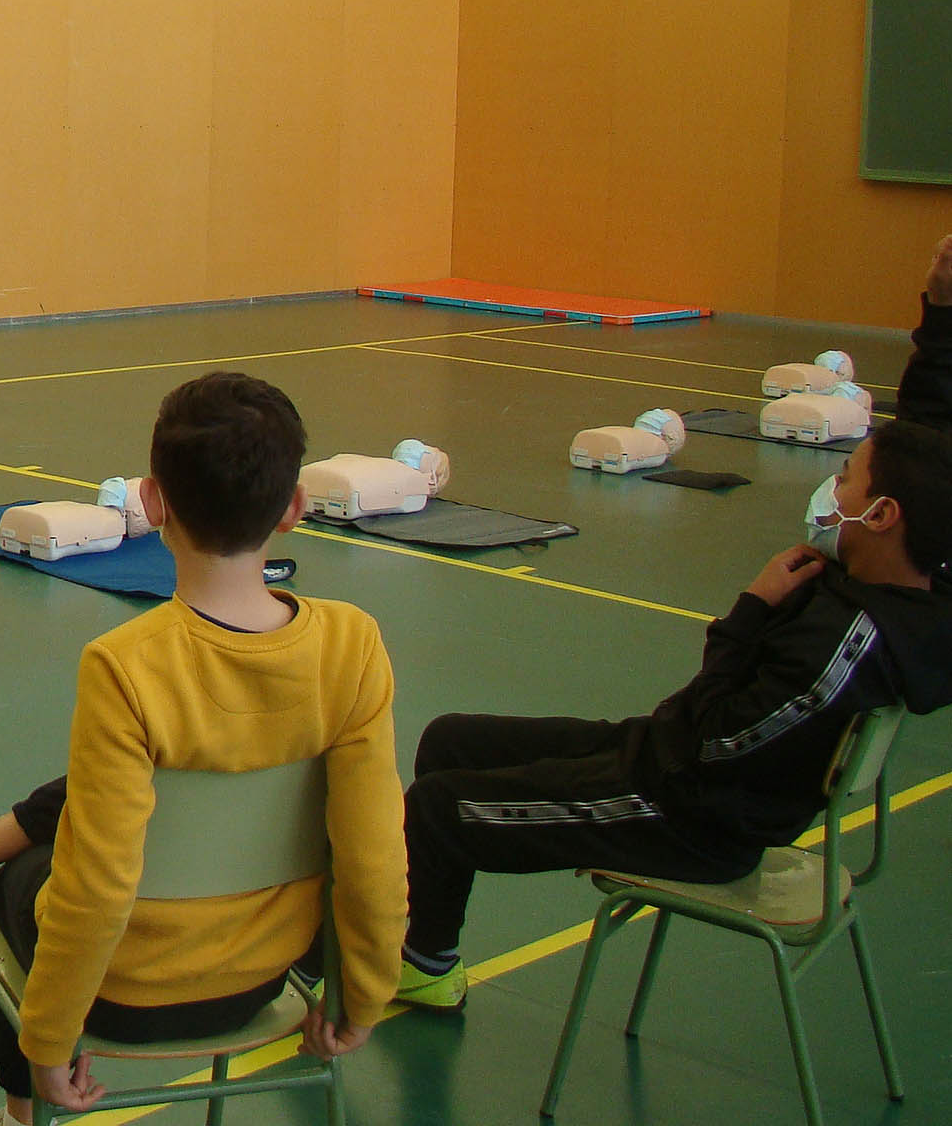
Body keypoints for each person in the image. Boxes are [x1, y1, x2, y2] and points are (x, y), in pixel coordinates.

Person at [0, 373, 408, 1126]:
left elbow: (98, 887)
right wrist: (363, 997)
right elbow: (372, 856)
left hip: (120, 997)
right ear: (294, 508)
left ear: (152, 503)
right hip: (263, 984)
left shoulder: (126, 665)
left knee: (24, 882)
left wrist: (50, 1042)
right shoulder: (354, 646)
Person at [385, 237, 952, 1012]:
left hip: (689, 812)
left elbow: (719, 740)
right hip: (670, 755)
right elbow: (929, 446)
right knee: (451, 739)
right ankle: (418, 934)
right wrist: (942, 312)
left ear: (882, 516)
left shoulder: (848, 644)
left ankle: (425, 965)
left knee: (439, 808)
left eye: (846, 477)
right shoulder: (909, 578)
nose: (834, 486)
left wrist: (750, 613)